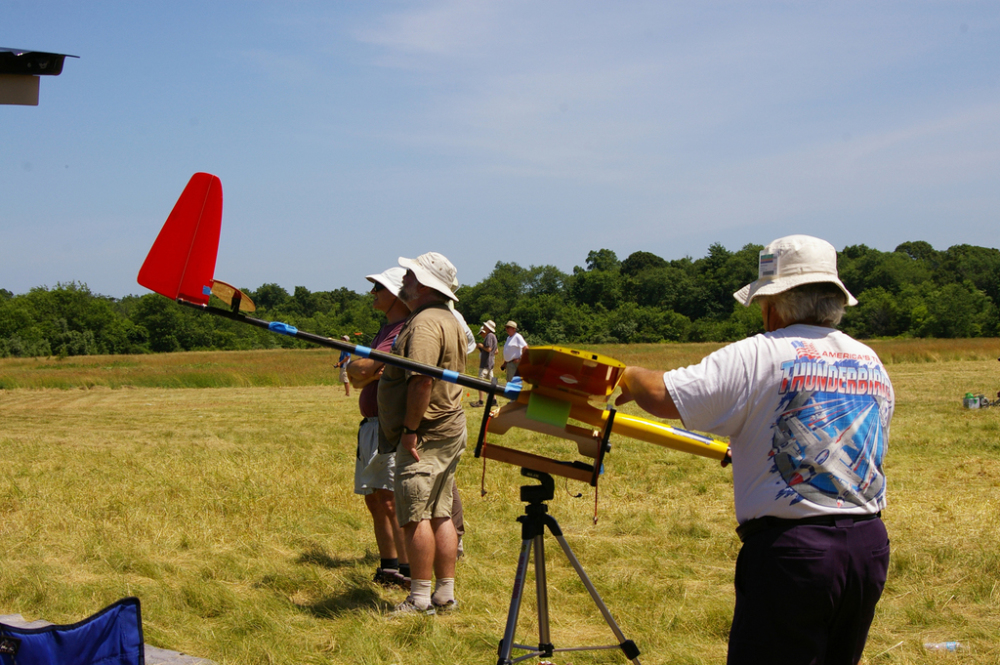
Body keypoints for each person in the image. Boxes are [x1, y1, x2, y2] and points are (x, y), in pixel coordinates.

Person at [615, 235, 892, 665]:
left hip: (795, 553)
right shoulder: (868, 359)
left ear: (775, 302)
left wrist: (630, 374)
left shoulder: (760, 354)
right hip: (868, 547)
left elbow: (663, 396)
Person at [378, 251, 467, 615]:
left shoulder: (427, 323)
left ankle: (419, 599)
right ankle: (444, 594)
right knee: (440, 512)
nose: (405, 281)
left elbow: (421, 380)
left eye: (411, 276)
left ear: (427, 285)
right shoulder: (448, 319)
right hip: (447, 429)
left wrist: (410, 430)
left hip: (426, 434)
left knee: (415, 513)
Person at [346, 267, 411, 589]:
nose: (373, 294)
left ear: (397, 294)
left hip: (387, 426)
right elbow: (354, 373)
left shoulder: (403, 330)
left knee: (389, 498)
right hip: (371, 424)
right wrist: (365, 371)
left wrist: (365, 370)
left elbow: (363, 369)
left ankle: (406, 569)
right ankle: (388, 567)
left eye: (379, 288)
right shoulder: (384, 330)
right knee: (374, 499)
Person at [470, 320, 497, 407]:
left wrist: (481, 346)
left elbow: (488, 349)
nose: (484, 326)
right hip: (491, 363)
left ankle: (481, 402)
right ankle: (494, 401)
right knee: (492, 383)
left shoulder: (488, 336)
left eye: (485, 326)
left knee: (480, 382)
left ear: (488, 328)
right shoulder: (494, 336)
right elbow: (495, 351)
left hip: (485, 364)